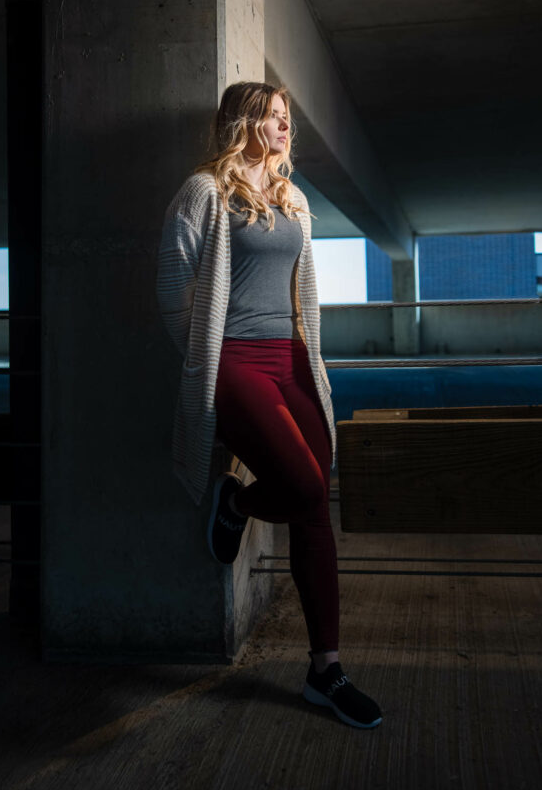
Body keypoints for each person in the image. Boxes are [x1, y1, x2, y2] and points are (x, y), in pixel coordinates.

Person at [156, 81, 382, 730]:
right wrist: (206, 360)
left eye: (286, 119)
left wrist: (303, 360)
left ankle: (325, 671)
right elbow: (172, 289)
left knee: (315, 504)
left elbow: (299, 296)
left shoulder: (292, 197)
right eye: (275, 118)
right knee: (305, 486)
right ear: (244, 123)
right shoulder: (203, 191)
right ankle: (240, 501)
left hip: (290, 361)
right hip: (233, 363)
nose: (286, 128)